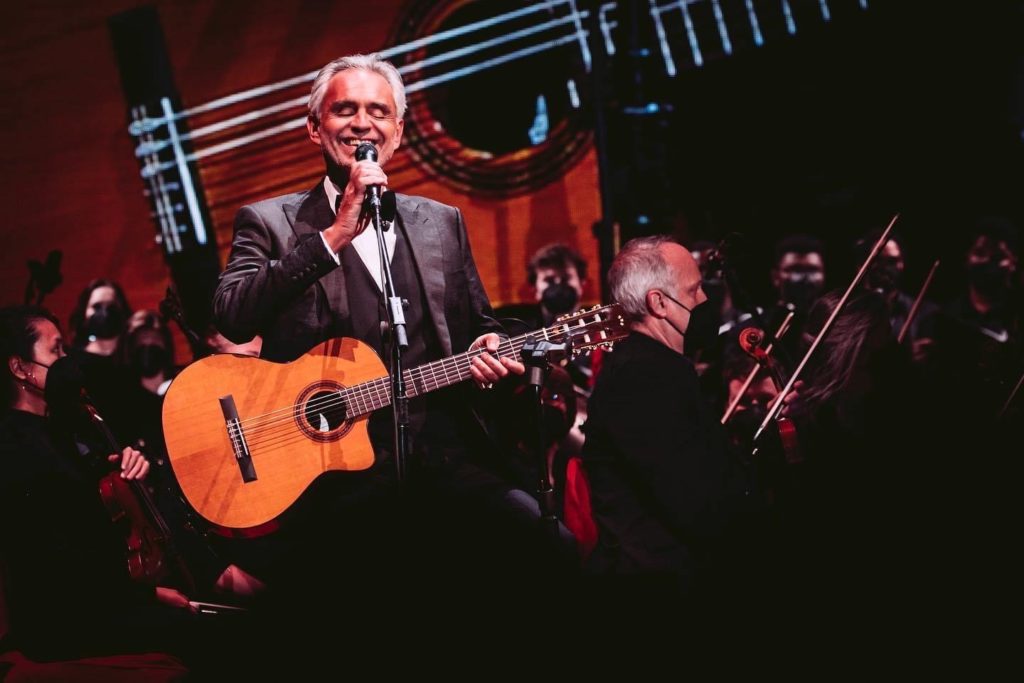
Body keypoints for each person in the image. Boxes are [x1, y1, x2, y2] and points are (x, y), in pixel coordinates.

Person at [211, 54, 553, 630]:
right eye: (345, 109)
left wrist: (490, 342)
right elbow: (231, 313)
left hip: (443, 458)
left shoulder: (440, 222)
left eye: (378, 111)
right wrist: (330, 237)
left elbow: (478, 323)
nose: (362, 123)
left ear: (397, 130)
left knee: (548, 551)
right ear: (315, 127)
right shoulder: (269, 222)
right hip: (334, 478)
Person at [0, 305, 192, 675]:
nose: (66, 361)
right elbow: (62, 560)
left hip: (100, 599)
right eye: (55, 351)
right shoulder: (14, 445)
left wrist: (128, 465)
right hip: (64, 620)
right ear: (20, 368)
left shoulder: (59, 427)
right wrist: (146, 595)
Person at [579, 235, 753, 608]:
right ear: (658, 302)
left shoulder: (647, 366)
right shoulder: (647, 375)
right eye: (694, 290)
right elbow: (693, 498)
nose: (704, 300)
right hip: (660, 592)